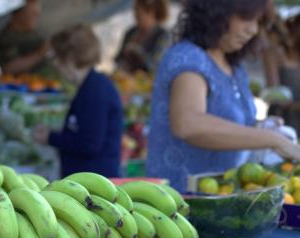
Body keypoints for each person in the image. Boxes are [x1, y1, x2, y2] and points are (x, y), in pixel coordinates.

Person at [146, 0, 300, 192]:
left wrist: (261, 127)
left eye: (259, 21)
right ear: (217, 12)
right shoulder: (188, 56)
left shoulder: (234, 66)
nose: (253, 29)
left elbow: (227, 125)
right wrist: (271, 139)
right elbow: (188, 124)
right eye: (246, 18)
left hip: (222, 200)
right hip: (181, 201)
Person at [33, 24, 123, 178]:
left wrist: (51, 137)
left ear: (70, 58)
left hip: (94, 182)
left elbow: (90, 144)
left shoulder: (94, 90)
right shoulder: (91, 85)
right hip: (90, 178)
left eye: (58, 58)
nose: (56, 65)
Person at [0, 0, 52, 75]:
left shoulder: (33, 33)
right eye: (33, 13)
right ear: (19, 13)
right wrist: (40, 54)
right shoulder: (7, 39)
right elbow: (8, 67)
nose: (37, 16)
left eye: (37, 13)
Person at [115, 0, 170, 74]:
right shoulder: (130, 32)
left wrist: (138, 53)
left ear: (151, 12)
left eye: (139, 14)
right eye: (135, 11)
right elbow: (117, 59)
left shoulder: (163, 36)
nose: (135, 16)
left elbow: (155, 67)